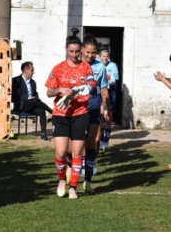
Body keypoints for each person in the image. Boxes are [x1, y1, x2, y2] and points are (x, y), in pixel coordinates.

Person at [45, 35, 97, 199]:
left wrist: (81, 89)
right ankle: (62, 180)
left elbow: (93, 86)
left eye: (77, 51)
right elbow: (49, 92)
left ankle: (73, 187)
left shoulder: (86, 67)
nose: (75, 55)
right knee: (61, 153)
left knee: (77, 152)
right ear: (66, 50)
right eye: (71, 51)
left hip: (81, 114)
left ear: (81, 50)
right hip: (61, 114)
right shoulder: (58, 68)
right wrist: (60, 90)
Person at [80, 35, 111, 192]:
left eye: (93, 52)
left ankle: (88, 167)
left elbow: (104, 88)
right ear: (82, 50)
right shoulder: (75, 65)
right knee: (77, 142)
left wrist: (104, 106)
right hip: (78, 103)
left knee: (96, 140)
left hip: (94, 102)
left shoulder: (101, 67)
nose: (90, 55)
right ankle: (76, 164)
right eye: (88, 52)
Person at [12, 61, 53, 140]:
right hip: (21, 105)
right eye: (32, 70)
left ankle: (43, 133)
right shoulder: (16, 81)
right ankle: (52, 112)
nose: (33, 72)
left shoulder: (33, 82)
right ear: (26, 71)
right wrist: (27, 98)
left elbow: (35, 95)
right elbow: (14, 96)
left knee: (41, 110)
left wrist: (34, 99)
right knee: (35, 100)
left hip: (32, 105)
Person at [98, 49, 118, 150]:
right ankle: (101, 140)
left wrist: (104, 81)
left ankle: (106, 141)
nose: (105, 58)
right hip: (99, 93)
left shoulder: (112, 65)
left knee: (108, 117)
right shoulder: (97, 65)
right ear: (99, 56)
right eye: (103, 56)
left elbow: (114, 80)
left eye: (107, 56)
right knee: (101, 117)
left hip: (110, 92)